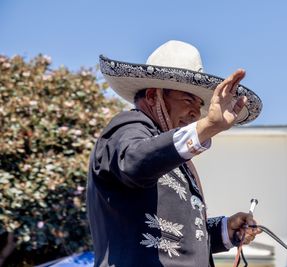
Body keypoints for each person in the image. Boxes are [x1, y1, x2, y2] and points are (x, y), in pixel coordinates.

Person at [87, 40, 263, 267]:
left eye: (200, 105)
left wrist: (225, 230)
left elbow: (175, 241)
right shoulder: (128, 126)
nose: (196, 113)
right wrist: (208, 126)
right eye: (188, 99)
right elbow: (134, 162)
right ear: (152, 96)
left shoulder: (175, 157)